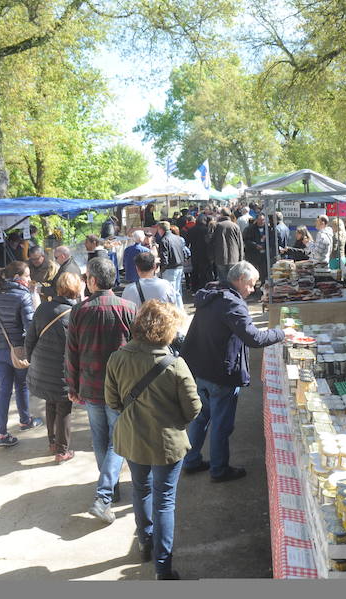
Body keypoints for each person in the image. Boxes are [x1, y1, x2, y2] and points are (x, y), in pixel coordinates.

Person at [105, 300, 201, 580]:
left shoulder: (117, 358)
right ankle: (163, 568)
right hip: (166, 444)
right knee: (164, 501)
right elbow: (193, 408)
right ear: (168, 330)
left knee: (141, 490)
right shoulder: (175, 365)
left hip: (132, 438)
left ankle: (145, 542)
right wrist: (175, 423)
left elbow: (112, 401)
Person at [180, 261, 285, 482]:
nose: (253, 289)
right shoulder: (232, 303)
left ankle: (191, 460)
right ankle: (219, 469)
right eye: (251, 284)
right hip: (221, 372)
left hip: (202, 368)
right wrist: (280, 333)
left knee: (202, 417)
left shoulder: (211, 293)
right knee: (221, 423)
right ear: (240, 280)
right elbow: (254, 338)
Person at [65, 257, 137, 524]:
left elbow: (70, 353)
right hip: (121, 388)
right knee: (115, 440)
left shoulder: (79, 311)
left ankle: (109, 492)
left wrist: (72, 385)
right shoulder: (128, 308)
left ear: (92, 281)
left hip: (92, 386)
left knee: (101, 439)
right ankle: (106, 493)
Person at [26, 272, 84, 464]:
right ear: (76, 289)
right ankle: (62, 450)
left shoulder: (43, 308)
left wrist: (30, 359)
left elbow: (30, 337)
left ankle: (52, 442)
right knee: (64, 407)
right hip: (64, 367)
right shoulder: (77, 312)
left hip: (42, 364)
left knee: (51, 402)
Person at [0, 260, 43, 447]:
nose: (29, 279)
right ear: (18, 277)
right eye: (27, 275)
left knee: (3, 390)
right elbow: (30, 326)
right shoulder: (23, 296)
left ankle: (1, 433)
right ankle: (25, 420)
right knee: (21, 386)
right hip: (17, 349)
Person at [156, 221, 187, 310]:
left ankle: (174, 312)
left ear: (161, 229)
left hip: (170, 268)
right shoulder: (177, 238)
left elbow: (164, 257)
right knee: (177, 292)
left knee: (170, 292)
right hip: (179, 266)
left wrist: (162, 269)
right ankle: (180, 310)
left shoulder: (164, 240)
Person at [210, 207, 244, 282]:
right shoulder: (235, 226)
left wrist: (212, 257)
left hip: (220, 257)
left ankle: (225, 293)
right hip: (234, 257)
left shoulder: (217, 226)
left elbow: (211, 242)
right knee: (233, 280)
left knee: (222, 280)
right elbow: (240, 244)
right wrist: (241, 258)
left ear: (221, 214)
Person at [243, 213, 271, 292]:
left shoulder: (268, 229)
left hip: (264, 254)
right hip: (253, 254)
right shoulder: (250, 229)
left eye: (263, 220)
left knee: (264, 272)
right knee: (253, 272)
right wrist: (255, 245)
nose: (261, 221)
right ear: (256, 220)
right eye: (260, 220)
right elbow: (246, 240)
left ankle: (263, 288)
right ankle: (253, 288)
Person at [186, 214, 213, 292]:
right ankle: (205, 286)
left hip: (194, 252)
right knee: (206, 271)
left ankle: (195, 287)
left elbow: (187, 242)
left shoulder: (191, 230)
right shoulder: (206, 229)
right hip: (205, 253)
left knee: (195, 270)